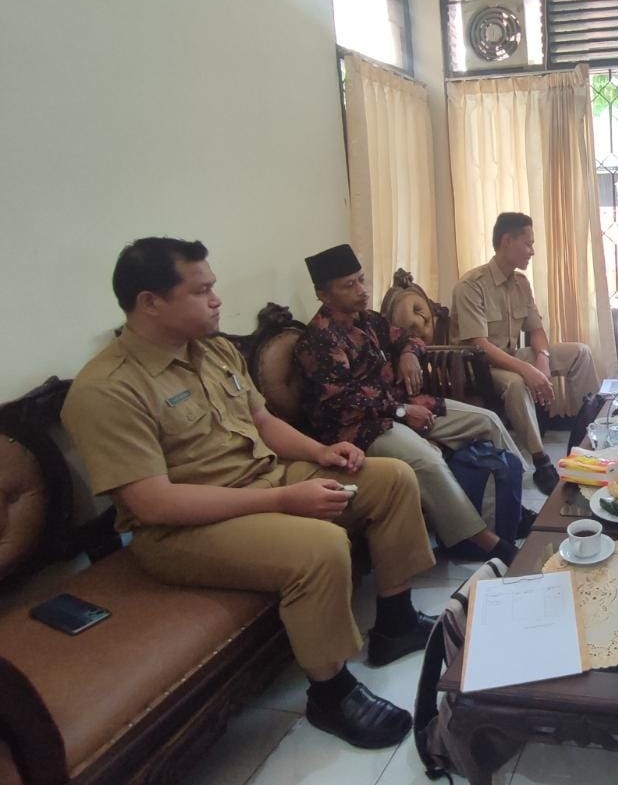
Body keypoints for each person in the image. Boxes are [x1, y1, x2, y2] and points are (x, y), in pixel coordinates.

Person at [61, 238, 435, 750]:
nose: (217, 300)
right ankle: (331, 693)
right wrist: (284, 501)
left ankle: (396, 622)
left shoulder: (213, 350)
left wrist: (323, 452)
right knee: (320, 548)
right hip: (183, 529)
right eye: (202, 290)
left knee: (390, 477)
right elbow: (154, 504)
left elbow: (261, 421)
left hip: (264, 480)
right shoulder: (107, 389)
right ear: (150, 302)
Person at [293, 244, 525, 566]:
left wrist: (407, 354)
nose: (362, 290)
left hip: (399, 406)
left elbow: (409, 338)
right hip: (358, 428)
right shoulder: (319, 340)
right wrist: (401, 412)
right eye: (350, 285)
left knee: (485, 420)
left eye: (362, 280)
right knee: (426, 459)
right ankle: (482, 540)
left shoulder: (369, 320)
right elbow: (347, 397)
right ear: (323, 294)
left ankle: (516, 506)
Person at [451, 212, 599, 494]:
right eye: (528, 244)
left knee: (580, 352)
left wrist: (541, 358)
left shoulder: (521, 283)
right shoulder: (471, 285)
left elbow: (536, 330)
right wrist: (527, 370)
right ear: (508, 241)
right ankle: (541, 461)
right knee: (518, 383)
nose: (532, 251)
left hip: (510, 356)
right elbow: (478, 345)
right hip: (479, 367)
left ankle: (590, 437)